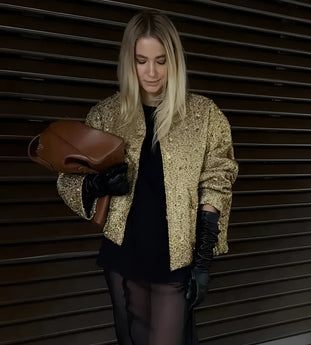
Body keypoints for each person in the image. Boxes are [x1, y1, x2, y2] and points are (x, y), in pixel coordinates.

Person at [57, 9, 238, 345]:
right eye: (141, 60)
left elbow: (217, 182)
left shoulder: (204, 115)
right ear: (130, 61)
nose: (151, 72)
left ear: (175, 61)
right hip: (124, 254)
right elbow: (67, 180)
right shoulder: (106, 115)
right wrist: (97, 185)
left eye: (161, 60)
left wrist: (202, 261)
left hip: (176, 257)